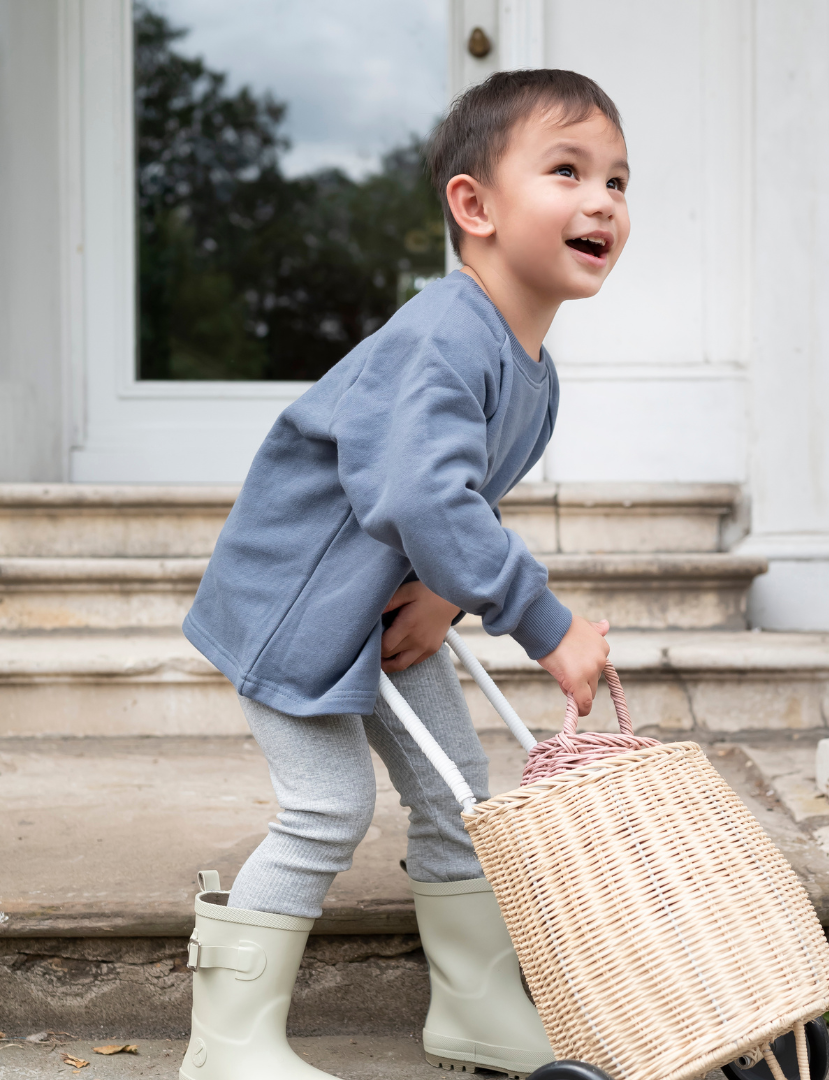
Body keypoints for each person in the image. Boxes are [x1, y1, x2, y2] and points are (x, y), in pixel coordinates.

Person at [178, 68, 631, 1080]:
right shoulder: (441, 336)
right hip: (294, 607)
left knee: (459, 792)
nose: (604, 200)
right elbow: (423, 501)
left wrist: (442, 589)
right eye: (568, 171)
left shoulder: (532, 373)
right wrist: (545, 625)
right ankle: (227, 1044)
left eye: (618, 180)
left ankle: (473, 1010)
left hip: (377, 608)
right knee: (328, 806)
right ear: (473, 206)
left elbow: (447, 499)